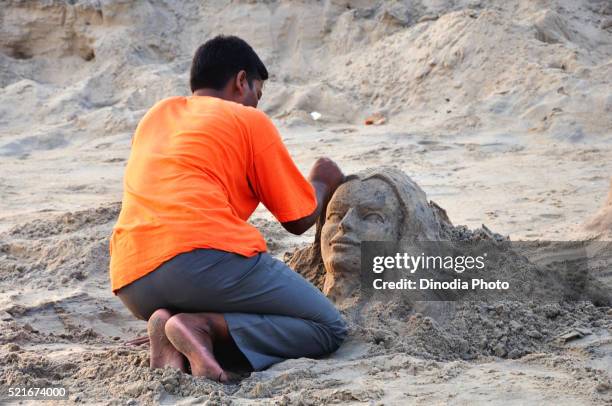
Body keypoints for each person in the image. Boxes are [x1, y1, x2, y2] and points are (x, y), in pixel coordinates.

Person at [109, 35, 348, 382]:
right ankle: (197, 325)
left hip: (134, 281)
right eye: (257, 94)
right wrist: (323, 181)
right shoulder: (246, 119)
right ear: (241, 82)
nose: (256, 106)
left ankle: (167, 323)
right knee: (327, 327)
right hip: (199, 260)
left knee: (217, 291)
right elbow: (298, 218)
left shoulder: (156, 116)